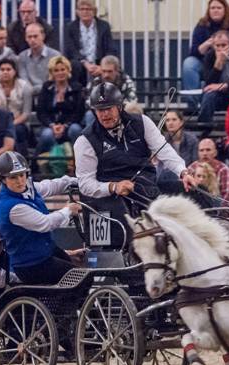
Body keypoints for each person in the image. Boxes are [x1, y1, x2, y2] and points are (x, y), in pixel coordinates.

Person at [74, 82, 198, 247]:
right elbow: (85, 184)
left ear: (119, 106)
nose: (105, 114)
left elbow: (164, 150)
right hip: (107, 199)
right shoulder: (85, 141)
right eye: (100, 110)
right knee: (114, 235)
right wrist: (113, 187)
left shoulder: (142, 123)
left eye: (109, 108)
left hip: (144, 189)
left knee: (189, 198)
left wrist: (183, 172)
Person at [0, 151, 83, 285]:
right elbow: (46, 223)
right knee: (81, 279)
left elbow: (50, 186)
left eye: (22, 175)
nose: (20, 181)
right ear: (3, 179)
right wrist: (68, 210)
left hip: (45, 252)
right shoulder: (12, 207)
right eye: (13, 177)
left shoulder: (28, 188)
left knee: (77, 272)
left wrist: (76, 182)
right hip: (31, 265)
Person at [182, 0, 229, 110]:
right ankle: (193, 105)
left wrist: (222, 56)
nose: (215, 10)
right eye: (212, 8)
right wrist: (208, 43)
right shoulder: (202, 25)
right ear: (208, 10)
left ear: (225, 10)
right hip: (206, 60)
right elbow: (193, 52)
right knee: (189, 64)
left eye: (219, 8)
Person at [35, 56, 85, 154]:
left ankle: (79, 158)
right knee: (47, 134)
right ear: (52, 73)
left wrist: (65, 126)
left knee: (75, 129)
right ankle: (41, 160)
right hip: (50, 125)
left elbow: (79, 112)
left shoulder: (77, 88)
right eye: (56, 70)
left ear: (68, 70)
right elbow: (41, 112)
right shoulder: (46, 87)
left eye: (63, 69)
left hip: (70, 124)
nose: (60, 73)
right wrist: (52, 125)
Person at [0, 58, 33, 156]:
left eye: (8, 69)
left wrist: (10, 124)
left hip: (19, 122)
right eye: (2, 70)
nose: (5, 72)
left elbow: (26, 113)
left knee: (17, 131)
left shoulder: (25, 87)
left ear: (15, 71)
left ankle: (21, 160)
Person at [63, 0, 118, 84]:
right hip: (80, 63)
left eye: (88, 9)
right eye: (82, 9)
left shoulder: (104, 26)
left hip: (99, 62)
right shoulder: (70, 27)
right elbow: (71, 50)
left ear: (94, 11)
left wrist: (102, 66)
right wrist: (85, 63)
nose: (85, 12)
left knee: (111, 66)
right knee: (74, 65)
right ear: (77, 12)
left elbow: (110, 48)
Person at [84, 55, 138, 127]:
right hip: (100, 113)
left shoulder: (125, 80)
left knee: (134, 111)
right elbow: (88, 101)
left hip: (121, 113)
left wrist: (114, 110)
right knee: (89, 115)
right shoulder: (96, 81)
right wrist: (103, 109)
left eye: (110, 71)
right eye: (104, 71)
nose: (106, 75)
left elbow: (132, 100)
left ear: (117, 70)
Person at [18, 22, 61, 94]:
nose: (32, 40)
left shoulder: (55, 56)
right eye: (29, 37)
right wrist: (30, 90)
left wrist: (35, 90)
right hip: (28, 94)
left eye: (35, 36)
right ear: (25, 38)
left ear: (43, 36)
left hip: (49, 93)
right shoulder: (22, 56)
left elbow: (53, 80)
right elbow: (24, 80)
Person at [188, 137, 229, 203]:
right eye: (201, 150)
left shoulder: (223, 169)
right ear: (198, 153)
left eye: (208, 150)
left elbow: (227, 198)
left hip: (218, 207)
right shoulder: (192, 168)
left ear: (215, 153)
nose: (205, 153)